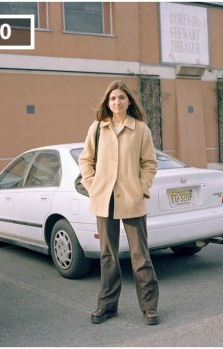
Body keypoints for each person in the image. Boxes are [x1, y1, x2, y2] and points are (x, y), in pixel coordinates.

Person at [78, 80, 160, 325]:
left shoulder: (141, 129)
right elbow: (86, 161)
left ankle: (149, 307)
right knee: (107, 256)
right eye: (113, 98)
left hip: (132, 200)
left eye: (121, 98)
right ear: (108, 102)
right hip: (105, 201)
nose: (117, 102)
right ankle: (107, 306)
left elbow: (150, 163)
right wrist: (94, 187)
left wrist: (141, 189)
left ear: (129, 101)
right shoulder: (96, 128)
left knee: (140, 256)